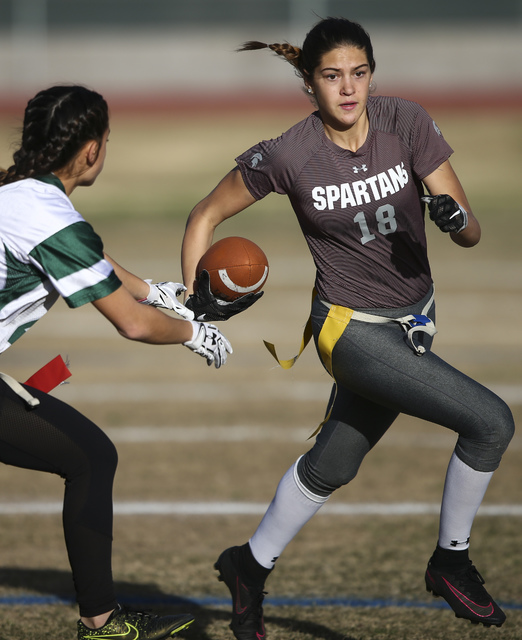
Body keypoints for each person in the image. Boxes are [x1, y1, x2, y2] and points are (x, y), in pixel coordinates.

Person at [180, 16, 515, 638]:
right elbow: (204, 215)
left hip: (414, 320)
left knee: (333, 463)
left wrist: (451, 215)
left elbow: (471, 233)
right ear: (309, 83)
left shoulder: (406, 122)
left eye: (359, 73)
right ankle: (452, 561)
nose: (348, 88)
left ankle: (246, 567)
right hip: (350, 329)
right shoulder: (291, 152)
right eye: (332, 76)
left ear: (372, 76)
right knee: (492, 422)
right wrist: (197, 299)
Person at [0, 84, 233, 640]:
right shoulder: (50, 215)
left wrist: (154, 290)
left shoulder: (17, 192)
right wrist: (190, 332)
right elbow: (128, 323)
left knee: (89, 456)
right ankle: (102, 624)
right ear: (91, 150)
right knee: (89, 457)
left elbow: (88, 255)